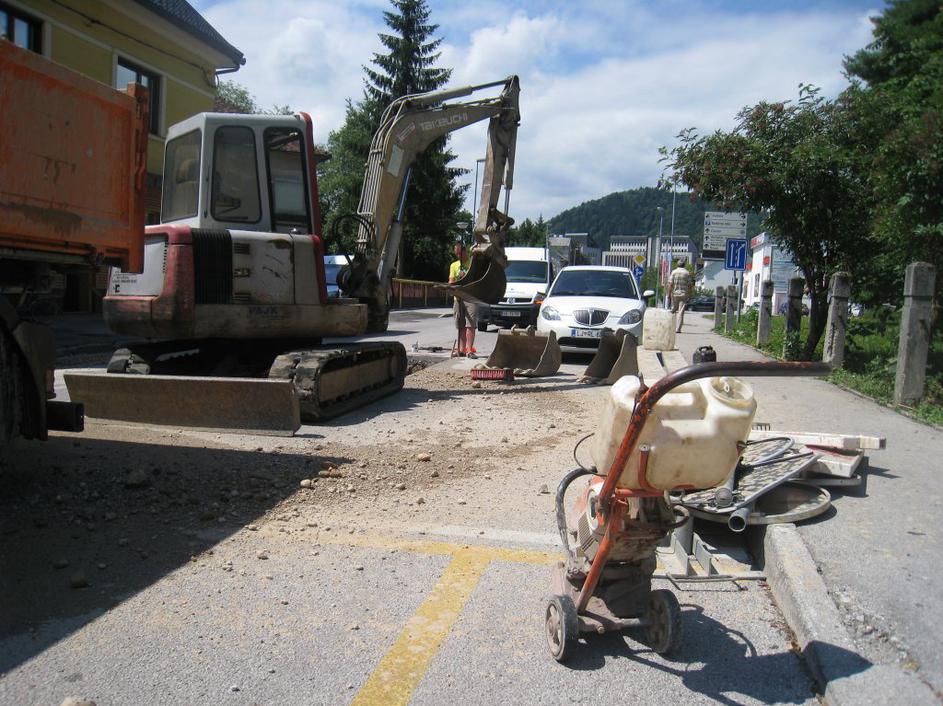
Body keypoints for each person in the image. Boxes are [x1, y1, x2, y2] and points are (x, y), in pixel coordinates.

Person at [449, 241, 478, 357]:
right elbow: (451, 282)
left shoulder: (472, 264)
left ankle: (469, 350)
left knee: (470, 324)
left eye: (459, 253)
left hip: (471, 298)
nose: (458, 256)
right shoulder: (454, 265)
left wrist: (465, 276)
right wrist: (455, 280)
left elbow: (477, 279)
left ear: (465, 251)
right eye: (456, 254)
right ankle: (461, 350)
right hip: (458, 298)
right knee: (460, 325)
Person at [666, 264, 692, 333]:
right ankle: (678, 329)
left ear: (677, 265)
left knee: (674, 309)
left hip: (675, 294)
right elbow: (690, 285)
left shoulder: (674, 272)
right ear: (684, 265)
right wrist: (690, 294)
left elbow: (670, 284)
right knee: (680, 312)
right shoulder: (687, 273)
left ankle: (668, 323)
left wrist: (668, 294)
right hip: (684, 294)